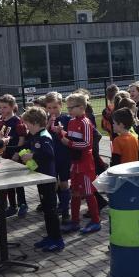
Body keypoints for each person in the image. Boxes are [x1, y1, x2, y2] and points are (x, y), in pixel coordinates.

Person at [20, 106, 64, 252]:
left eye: (27, 124)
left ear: (34, 123)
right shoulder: (36, 136)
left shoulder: (44, 136)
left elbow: (49, 155)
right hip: (41, 178)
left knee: (51, 211)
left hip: (48, 179)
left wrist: (32, 155)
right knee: (46, 210)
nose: (26, 127)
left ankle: (57, 240)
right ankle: (50, 236)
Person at [57, 93, 101, 234]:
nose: (68, 110)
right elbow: (70, 138)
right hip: (74, 163)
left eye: (71, 107)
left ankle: (96, 221)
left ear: (81, 107)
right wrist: (60, 133)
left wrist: (69, 143)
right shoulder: (71, 121)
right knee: (75, 193)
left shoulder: (85, 122)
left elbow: (87, 144)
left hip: (85, 164)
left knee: (88, 193)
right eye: (68, 107)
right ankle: (75, 221)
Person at [0, 94, 29, 217]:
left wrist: (17, 153)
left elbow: (22, 140)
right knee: (8, 183)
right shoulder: (1, 121)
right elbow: (0, 138)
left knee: (18, 183)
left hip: (15, 156)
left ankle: (23, 204)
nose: (2, 110)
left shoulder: (18, 122)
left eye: (5, 107)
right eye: (0, 107)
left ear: (12, 107)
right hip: (4, 156)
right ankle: (12, 206)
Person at [45, 92, 72, 223]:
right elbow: (41, 135)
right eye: (49, 108)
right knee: (53, 184)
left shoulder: (67, 119)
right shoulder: (46, 119)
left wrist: (60, 131)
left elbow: (70, 138)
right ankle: (56, 208)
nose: (52, 111)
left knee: (64, 183)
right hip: (50, 156)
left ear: (61, 105)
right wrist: (48, 124)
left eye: (55, 107)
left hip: (64, 155)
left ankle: (66, 211)